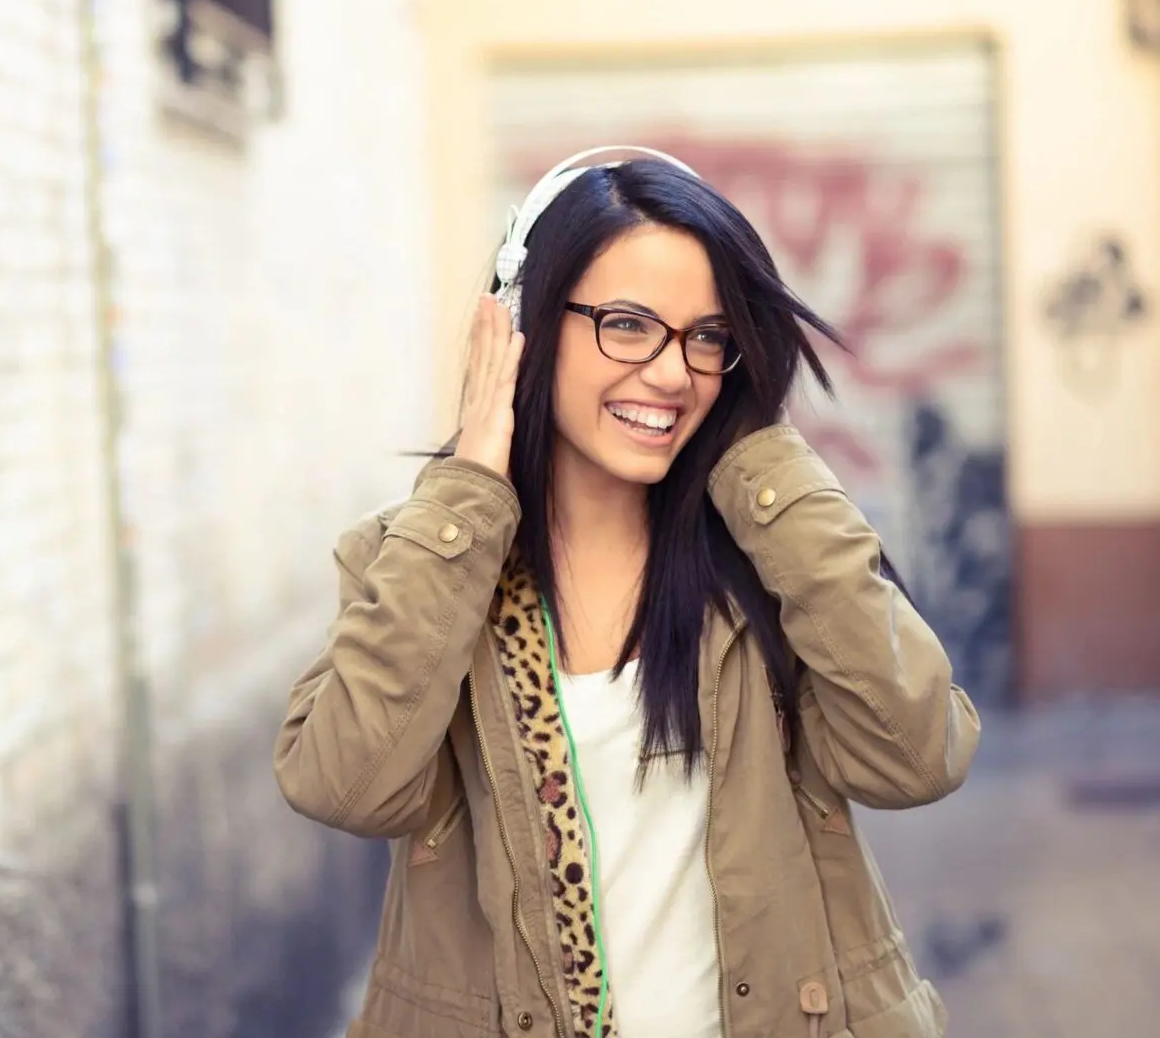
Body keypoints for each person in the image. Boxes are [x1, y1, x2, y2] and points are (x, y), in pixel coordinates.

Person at [274, 146, 981, 1038]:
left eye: (707, 336)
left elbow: (919, 757)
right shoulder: (420, 562)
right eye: (626, 323)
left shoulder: (765, 556)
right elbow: (345, 785)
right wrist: (469, 491)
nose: (672, 371)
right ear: (524, 323)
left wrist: (762, 459)